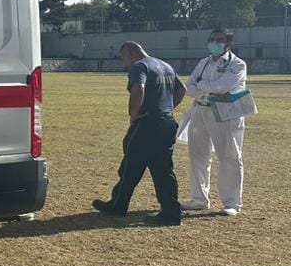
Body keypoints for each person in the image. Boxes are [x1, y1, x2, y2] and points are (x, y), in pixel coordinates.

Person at [93, 41, 185, 225]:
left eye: (124, 58)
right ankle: (166, 210)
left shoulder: (139, 67)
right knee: (157, 167)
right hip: (166, 122)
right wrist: (168, 108)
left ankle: (121, 206)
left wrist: (133, 114)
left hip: (148, 123)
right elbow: (182, 89)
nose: (124, 63)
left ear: (132, 53)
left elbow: (139, 88)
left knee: (132, 167)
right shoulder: (165, 65)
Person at [181, 29, 250, 216]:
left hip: (225, 113)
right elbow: (188, 87)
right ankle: (198, 199)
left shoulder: (237, 64)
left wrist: (202, 86)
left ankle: (232, 203)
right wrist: (206, 89)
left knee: (230, 157)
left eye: (218, 40)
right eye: (211, 39)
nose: (214, 42)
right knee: (198, 156)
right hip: (200, 110)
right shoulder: (203, 63)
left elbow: (222, 86)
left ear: (228, 43)